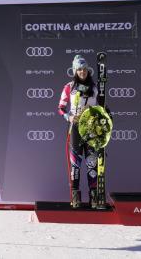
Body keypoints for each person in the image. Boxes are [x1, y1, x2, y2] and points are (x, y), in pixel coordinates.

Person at [57, 55, 100, 208]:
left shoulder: (95, 87)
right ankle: (75, 196)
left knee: (92, 163)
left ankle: (93, 197)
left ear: (88, 70)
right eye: (79, 69)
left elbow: (102, 107)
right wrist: (69, 117)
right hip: (75, 128)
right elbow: (61, 108)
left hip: (90, 128)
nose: (82, 72)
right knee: (75, 164)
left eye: (85, 69)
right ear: (75, 71)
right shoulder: (69, 87)